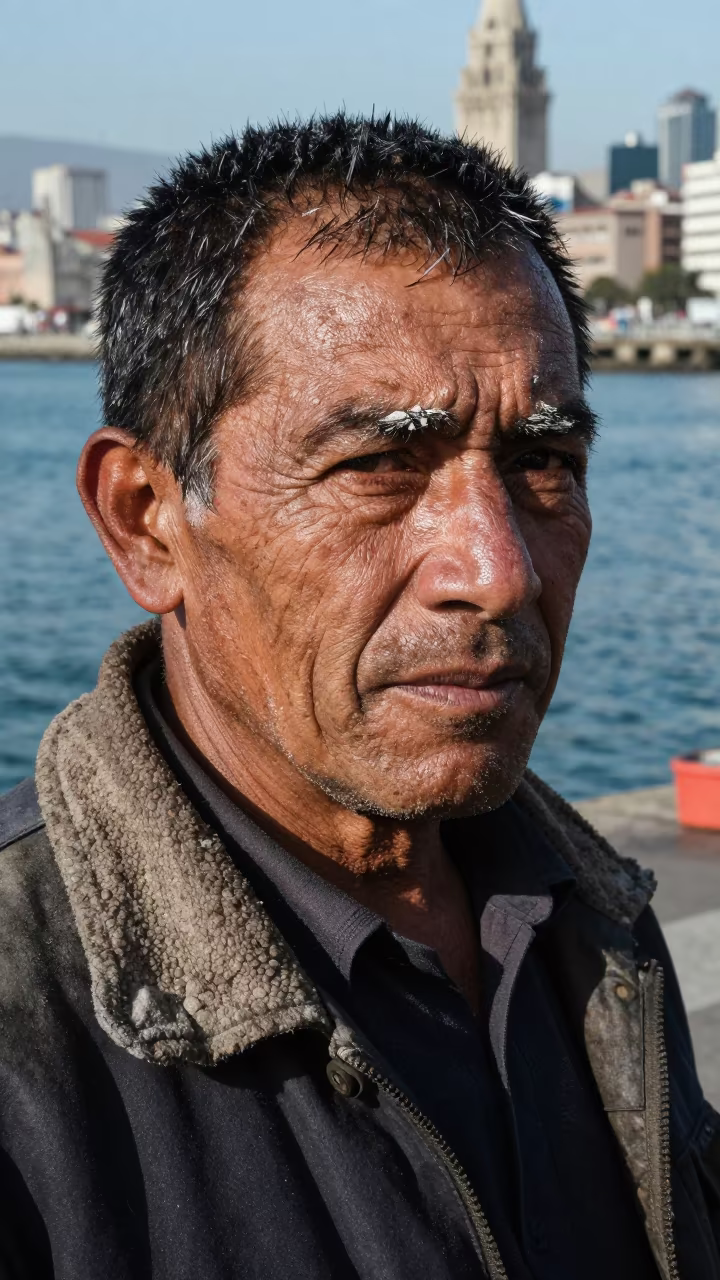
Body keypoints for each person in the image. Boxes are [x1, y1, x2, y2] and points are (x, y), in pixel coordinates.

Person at [0, 115, 718, 1280]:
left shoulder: (596, 919)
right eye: (379, 466)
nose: (497, 568)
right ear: (147, 520)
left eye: (545, 465)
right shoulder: (29, 1028)